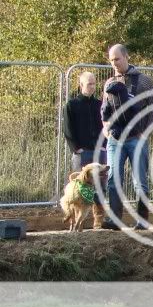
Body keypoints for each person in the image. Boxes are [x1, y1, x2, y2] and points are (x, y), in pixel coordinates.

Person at [101, 44, 153, 230]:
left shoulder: (145, 81)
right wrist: (106, 128)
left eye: (117, 59)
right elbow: (104, 110)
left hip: (136, 139)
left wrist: (144, 132)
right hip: (115, 140)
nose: (114, 63)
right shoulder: (108, 83)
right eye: (111, 60)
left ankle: (142, 220)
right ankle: (114, 219)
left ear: (126, 57)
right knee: (112, 178)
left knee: (139, 180)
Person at [63, 71, 105, 229]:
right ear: (81, 85)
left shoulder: (99, 104)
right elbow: (68, 129)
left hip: (98, 151)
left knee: (100, 186)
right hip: (82, 153)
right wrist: (76, 148)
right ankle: (75, 223)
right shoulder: (71, 105)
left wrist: (104, 145)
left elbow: (105, 126)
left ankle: (98, 221)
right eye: (89, 84)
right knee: (78, 188)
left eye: (94, 83)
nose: (92, 87)